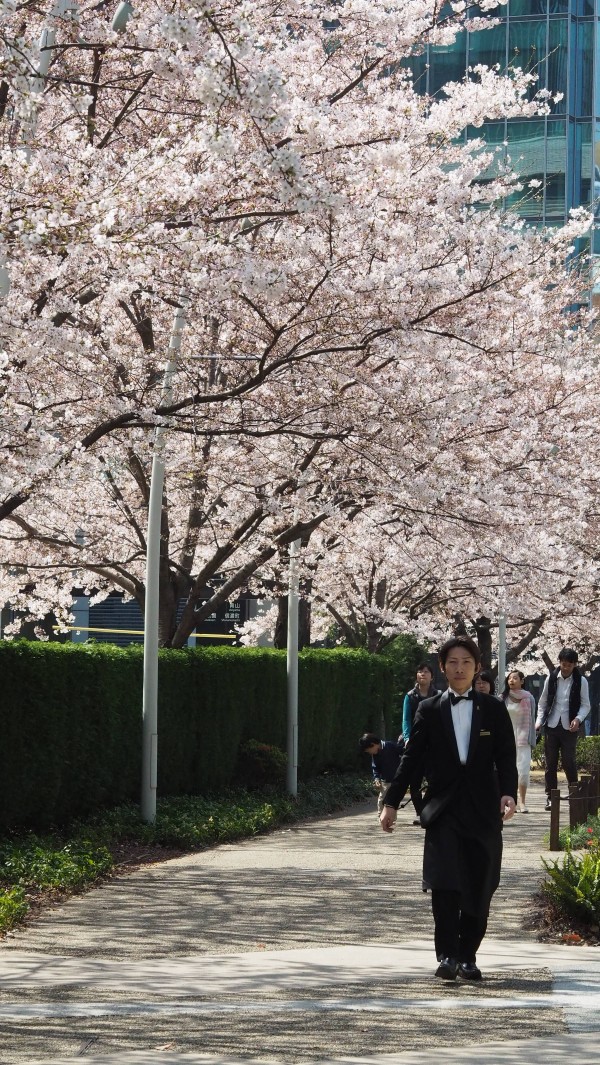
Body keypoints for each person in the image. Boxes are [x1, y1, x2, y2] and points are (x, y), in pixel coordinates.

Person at [380, 635, 517, 982]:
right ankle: (447, 956)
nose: (459, 669)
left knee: (480, 884)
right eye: (452, 663)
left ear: (477, 668)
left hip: (484, 811)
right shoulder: (429, 709)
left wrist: (508, 794)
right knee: (445, 884)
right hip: (442, 810)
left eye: (466, 663)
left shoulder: (494, 709)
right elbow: (411, 760)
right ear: (442, 668)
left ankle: (468, 955)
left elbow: (505, 757)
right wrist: (391, 802)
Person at [535, 648, 591, 812]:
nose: (565, 668)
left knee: (569, 762)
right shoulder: (551, 678)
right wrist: (539, 721)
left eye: (569, 665)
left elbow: (586, 705)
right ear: (560, 662)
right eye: (563, 664)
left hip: (569, 727)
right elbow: (543, 702)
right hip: (551, 725)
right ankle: (551, 798)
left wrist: (578, 719)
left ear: (574, 664)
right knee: (550, 763)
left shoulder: (581, 681)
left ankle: (574, 795)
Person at [401, 663, 440, 825]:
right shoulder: (410, 696)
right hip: (416, 743)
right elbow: (406, 719)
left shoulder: (439, 695)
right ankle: (420, 812)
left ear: (432, 676)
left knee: (435, 780)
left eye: (426, 671)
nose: (423, 674)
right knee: (414, 781)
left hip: (434, 744)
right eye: (420, 671)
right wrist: (407, 737)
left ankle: (432, 811)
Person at [502, 670, 537, 814]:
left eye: (515, 678)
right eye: (509, 678)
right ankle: (510, 802)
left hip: (523, 739)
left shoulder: (529, 698)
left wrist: (532, 740)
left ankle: (522, 801)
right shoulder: (502, 698)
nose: (511, 680)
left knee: (523, 772)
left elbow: (532, 720)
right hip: (506, 740)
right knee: (507, 771)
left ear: (522, 681)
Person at [359, 733, 404, 815]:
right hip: (385, 781)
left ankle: (391, 818)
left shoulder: (390, 746)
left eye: (369, 751)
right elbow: (375, 767)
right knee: (382, 800)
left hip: (397, 779)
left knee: (393, 801)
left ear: (373, 745)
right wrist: (376, 778)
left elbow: (403, 751)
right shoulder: (375, 755)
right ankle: (380, 815)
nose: (370, 753)